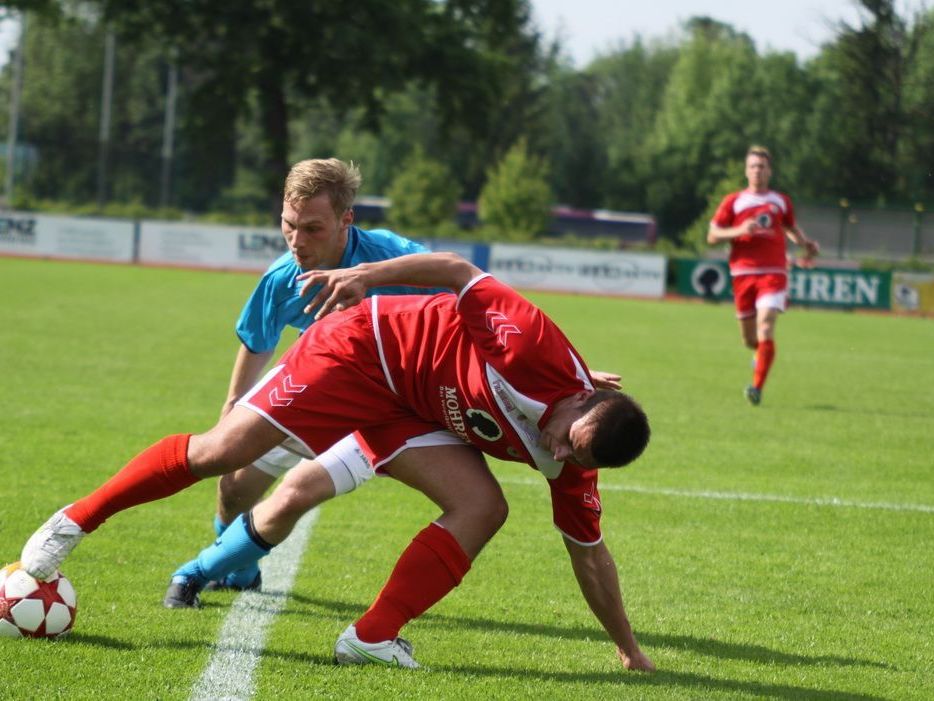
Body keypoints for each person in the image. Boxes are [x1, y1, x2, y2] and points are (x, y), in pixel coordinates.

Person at [20, 252, 655, 672]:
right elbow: (461, 272)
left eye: (578, 454)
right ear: (581, 397)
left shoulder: (574, 461)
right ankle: (70, 523)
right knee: (224, 452)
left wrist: (628, 650)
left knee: (484, 507)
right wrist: (368, 276)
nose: (562, 450)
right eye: (572, 435)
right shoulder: (532, 345)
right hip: (363, 347)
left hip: (409, 412)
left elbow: (590, 555)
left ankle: (372, 636)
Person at [175, 157, 444, 595]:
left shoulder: (397, 260)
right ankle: (239, 569)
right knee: (234, 485)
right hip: (312, 390)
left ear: (346, 219)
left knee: (298, 492)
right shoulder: (282, 276)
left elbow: (477, 297)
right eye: (289, 225)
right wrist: (231, 412)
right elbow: (258, 340)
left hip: (385, 409)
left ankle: (196, 573)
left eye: (312, 229)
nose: (297, 241)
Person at [707, 145, 820, 405]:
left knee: (766, 325)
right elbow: (712, 236)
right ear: (747, 171)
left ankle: (756, 387)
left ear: (770, 171)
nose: (758, 170)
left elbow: (790, 227)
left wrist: (805, 244)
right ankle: (760, 356)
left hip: (773, 272)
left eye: (762, 166)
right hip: (743, 274)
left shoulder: (780, 201)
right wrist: (738, 231)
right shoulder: (733, 201)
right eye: (753, 166)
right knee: (750, 340)